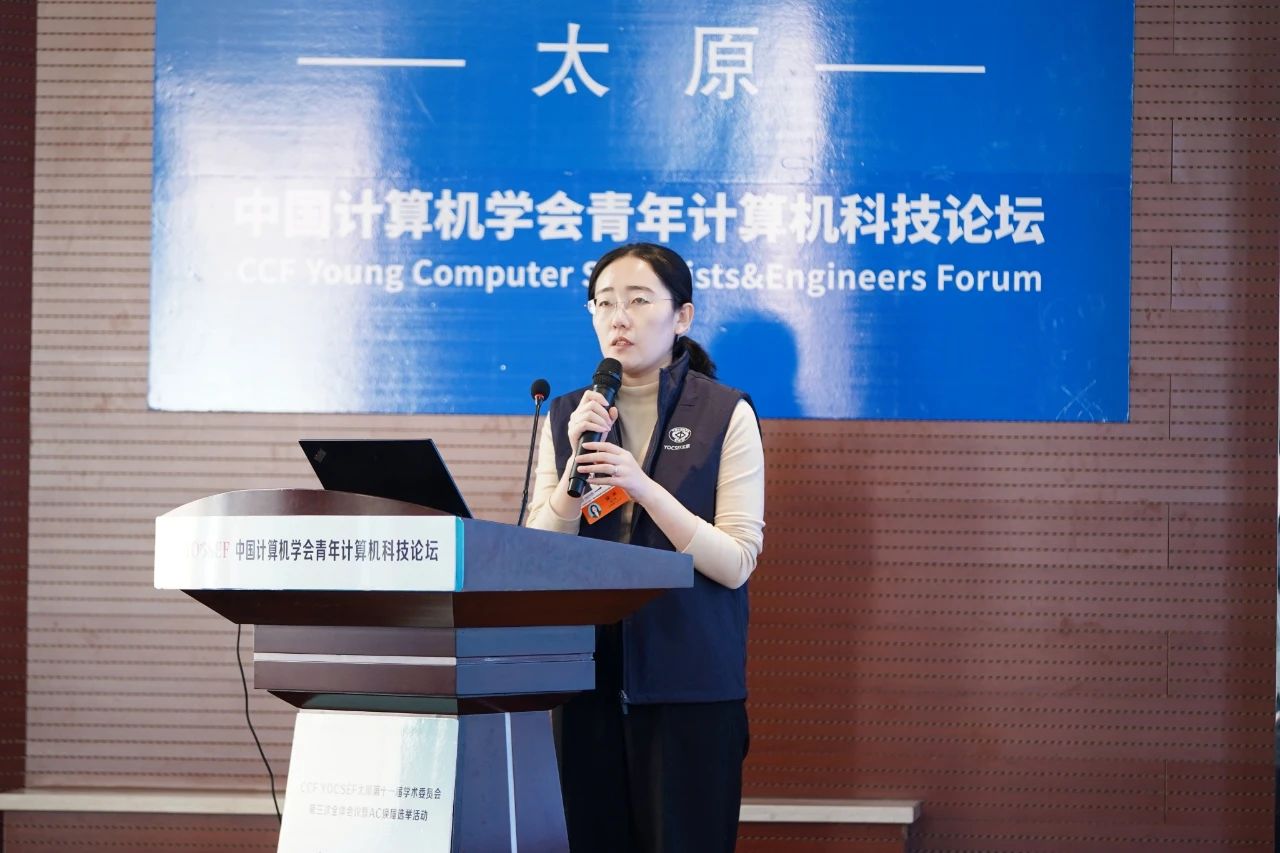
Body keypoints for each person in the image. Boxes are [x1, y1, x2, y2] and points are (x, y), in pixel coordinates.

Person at [524, 242, 766, 852]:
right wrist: (575, 473)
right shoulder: (568, 415)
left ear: (682, 316)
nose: (619, 319)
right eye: (604, 303)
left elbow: (736, 562)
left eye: (637, 301)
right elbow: (536, 560)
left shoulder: (724, 413)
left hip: (690, 686)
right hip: (584, 684)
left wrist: (642, 487)